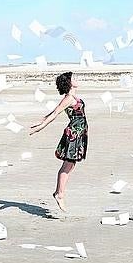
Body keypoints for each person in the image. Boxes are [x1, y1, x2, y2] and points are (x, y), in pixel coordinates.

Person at [29, 72, 88, 212]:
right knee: (68, 165)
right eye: (74, 78)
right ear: (69, 83)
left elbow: (52, 112)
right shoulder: (68, 98)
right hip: (73, 134)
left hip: (79, 133)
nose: (77, 79)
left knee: (70, 165)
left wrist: (42, 119)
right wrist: (41, 127)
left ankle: (59, 193)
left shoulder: (73, 97)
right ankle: (59, 194)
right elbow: (55, 113)